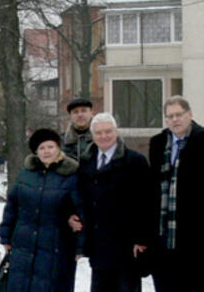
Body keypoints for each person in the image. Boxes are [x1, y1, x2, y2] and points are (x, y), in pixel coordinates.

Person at [74, 112, 151, 292]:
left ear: (116, 132)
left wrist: (142, 238)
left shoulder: (135, 161)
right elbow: (81, 197)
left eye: (108, 131)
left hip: (126, 245)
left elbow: (147, 202)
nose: (104, 136)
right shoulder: (86, 161)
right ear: (93, 135)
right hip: (98, 244)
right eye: (99, 133)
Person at [0, 128, 83, 292]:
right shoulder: (25, 175)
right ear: (36, 152)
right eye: (42, 148)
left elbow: (80, 212)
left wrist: (80, 245)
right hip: (24, 244)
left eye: (50, 147)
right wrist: (5, 236)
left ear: (58, 148)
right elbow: (12, 207)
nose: (47, 151)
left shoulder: (71, 176)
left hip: (56, 246)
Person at [148, 96, 204, 292]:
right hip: (163, 234)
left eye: (179, 114)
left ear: (190, 115)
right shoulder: (158, 143)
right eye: (170, 116)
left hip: (194, 234)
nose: (175, 120)